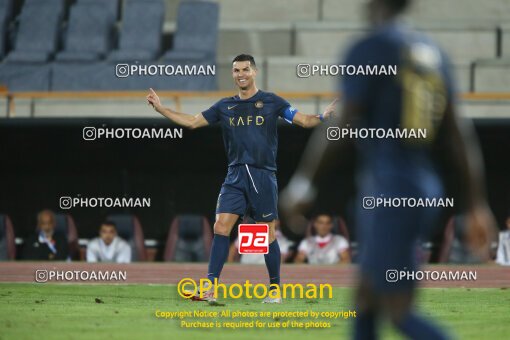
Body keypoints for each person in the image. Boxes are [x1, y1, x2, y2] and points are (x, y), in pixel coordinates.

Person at [281, 0, 496, 338]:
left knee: (397, 310)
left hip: (390, 189)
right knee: (365, 300)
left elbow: (340, 126)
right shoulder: (433, 52)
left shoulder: (371, 48)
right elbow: (457, 135)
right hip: (421, 185)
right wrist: (476, 202)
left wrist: (303, 183)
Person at [146, 54, 337, 303]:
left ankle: (275, 290)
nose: (241, 74)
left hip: (263, 174)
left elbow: (303, 120)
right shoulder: (224, 106)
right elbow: (192, 122)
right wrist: (161, 108)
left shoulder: (271, 101)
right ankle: (210, 288)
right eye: (236, 70)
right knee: (221, 227)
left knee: (267, 234)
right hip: (234, 175)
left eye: (245, 69)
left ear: (254, 72)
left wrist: (322, 117)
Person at [227, 220, 294, 264]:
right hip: (245, 268)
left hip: (265, 272)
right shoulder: (250, 232)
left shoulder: (281, 240)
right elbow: (233, 250)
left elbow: (280, 259)